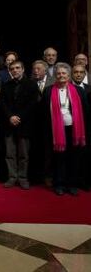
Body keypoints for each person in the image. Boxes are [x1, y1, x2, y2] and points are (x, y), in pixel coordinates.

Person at [42, 63, 88, 196]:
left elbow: (85, 111)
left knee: (74, 158)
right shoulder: (49, 90)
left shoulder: (79, 91)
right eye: (58, 73)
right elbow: (44, 113)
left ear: (69, 75)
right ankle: (59, 184)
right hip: (55, 131)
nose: (61, 75)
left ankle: (72, 184)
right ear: (55, 76)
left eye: (64, 73)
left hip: (74, 130)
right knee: (59, 158)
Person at [0, 61, 38, 190]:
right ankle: (12, 177)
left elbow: (32, 104)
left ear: (23, 69)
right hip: (8, 124)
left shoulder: (31, 84)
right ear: (10, 71)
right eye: (12, 69)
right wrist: (10, 116)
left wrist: (19, 117)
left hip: (24, 124)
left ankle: (22, 178)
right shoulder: (6, 85)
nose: (15, 70)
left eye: (17, 68)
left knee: (23, 154)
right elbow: (2, 104)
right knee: (9, 154)